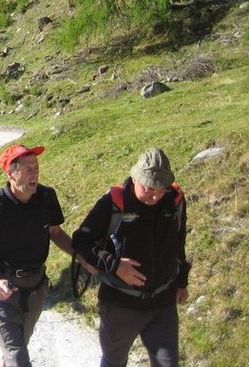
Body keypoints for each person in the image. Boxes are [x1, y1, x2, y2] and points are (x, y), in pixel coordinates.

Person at [0, 144, 91, 367]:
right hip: (2, 294)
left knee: (13, 353)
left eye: (36, 167)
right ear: (11, 173)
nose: (35, 173)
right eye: (28, 169)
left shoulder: (46, 197)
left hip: (35, 291)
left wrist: (82, 258)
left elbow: (55, 232)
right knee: (18, 358)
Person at [72, 147, 190, 367]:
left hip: (163, 303)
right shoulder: (114, 202)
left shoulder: (174, 201)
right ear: (135, 177)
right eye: (148, 188)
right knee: (114, 362)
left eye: (160, 189)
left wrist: (181, 282)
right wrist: (114, 265)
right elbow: (81, 241)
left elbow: (178, 242)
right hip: (120, 305)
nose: (155, 195)